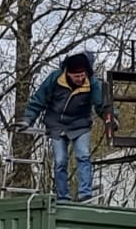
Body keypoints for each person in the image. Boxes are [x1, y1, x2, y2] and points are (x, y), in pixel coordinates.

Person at [22, 52, 112, 202]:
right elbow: (38, 99)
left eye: (82, 75)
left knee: (83, 156)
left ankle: (85, 193)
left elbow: (102, 104)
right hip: (57, 124)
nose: (80, 79)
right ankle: (63, 196)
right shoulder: (55, 79)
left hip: (80, 124)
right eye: (76, 76)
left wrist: (111, 118)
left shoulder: (92, 83)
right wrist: (28, 119)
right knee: (60, 161)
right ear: (68, 74)